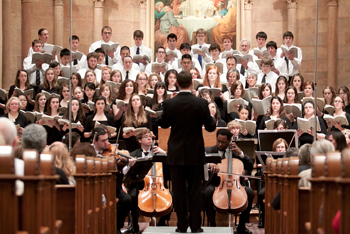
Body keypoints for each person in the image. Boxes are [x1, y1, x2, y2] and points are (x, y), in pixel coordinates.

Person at [159, 70, 216, 233]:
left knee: (178, 190)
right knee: (195, 191)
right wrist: (210, 115)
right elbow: (211, 127)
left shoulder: (170, 103)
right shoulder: (201, 103)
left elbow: (163, 124)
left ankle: (181, 226)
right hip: (195, 153)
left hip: (176, 154)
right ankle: (196, 226)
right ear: (192, 83)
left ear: (177, 83)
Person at [204, 129, 254, 233]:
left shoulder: (235, 152)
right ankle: (212, 225)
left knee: (250, 192)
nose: (220, 144)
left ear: (229, 140)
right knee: (208, 192)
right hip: (216, 184)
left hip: (235, 184)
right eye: (218, 141)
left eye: (223, 142)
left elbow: (250, 165)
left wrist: (240, 153)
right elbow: (199, 164)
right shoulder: (209, 151)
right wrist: (209, 164)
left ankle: (241, 227)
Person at [127, 129, 167, 232]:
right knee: (132, 196)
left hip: (157, 186)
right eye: (146, 137)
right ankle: (134, 226)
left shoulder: (158, 152)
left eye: (150, 136)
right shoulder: (133, 154)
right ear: (139, 140)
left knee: (171, 197)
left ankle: (162, 223)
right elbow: (128, 174)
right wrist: (131, 165)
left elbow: (171, 166)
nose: (149, 138)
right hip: (139, 186)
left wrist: (165, 154)